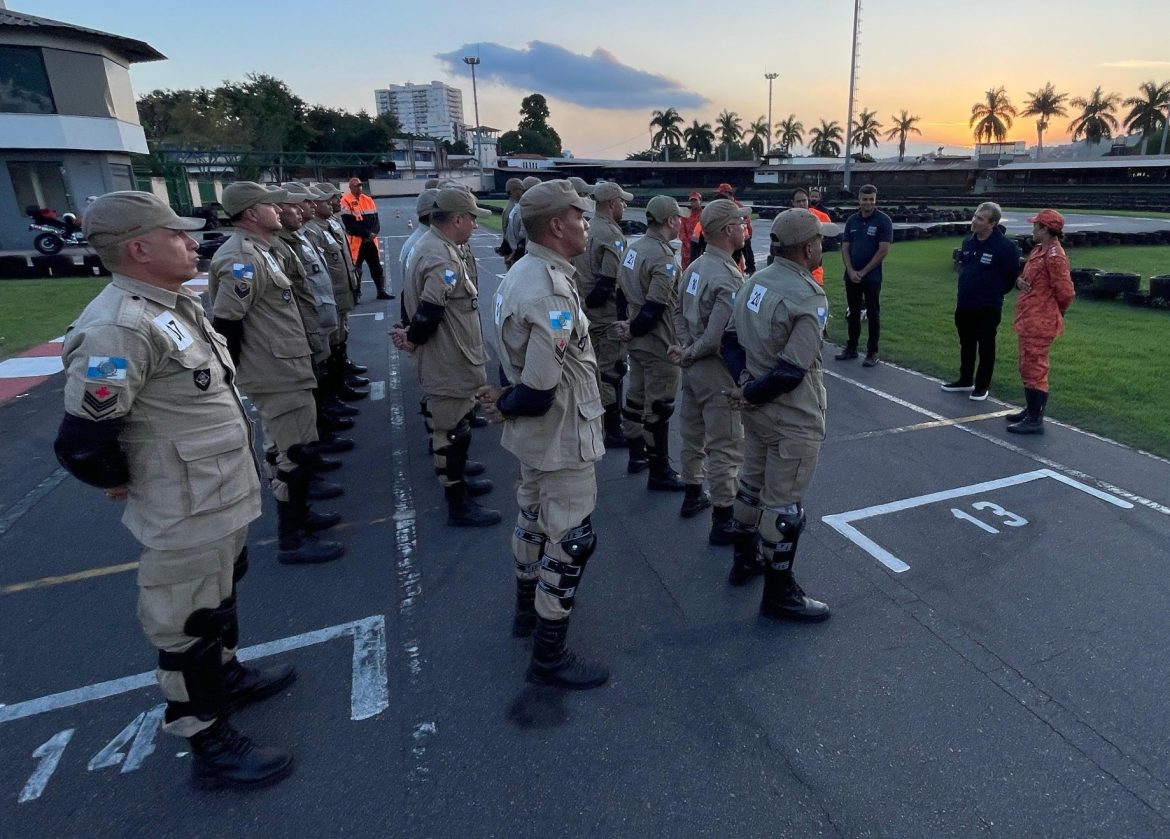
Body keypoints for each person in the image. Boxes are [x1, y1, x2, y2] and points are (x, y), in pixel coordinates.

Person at [54, 191, 295, 789]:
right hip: (184, 506)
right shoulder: (118, 327)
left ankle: (229, 675)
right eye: (178, 235)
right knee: (186, 624)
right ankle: (207, 740)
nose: (193, 243)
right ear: (139, 247)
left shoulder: (167, 305)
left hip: (215, 497)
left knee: (217, 600)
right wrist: (124, 478)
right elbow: (83, 440)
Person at [476, 179, 609, 689]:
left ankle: (526, 614)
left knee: (531, 518)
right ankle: (548, 655)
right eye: (580, 216)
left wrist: (505, 403)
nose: (586, 224)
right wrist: (507, 403)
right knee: (571, 538)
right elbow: (538, 388)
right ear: (557, 225)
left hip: (536, 437)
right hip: (561, 435)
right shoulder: (550, 289)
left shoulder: (523, 272)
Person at [208, 182, 345, 565]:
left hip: (287, 364)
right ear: (252, 213)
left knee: (295, 447)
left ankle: (301, 518)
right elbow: (227, 322)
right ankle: (292, 537)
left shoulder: (261, 251)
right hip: (274, 370)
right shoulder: (242, 258)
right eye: (269, 205)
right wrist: (232, 376)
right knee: (291, 452)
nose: (279, 209)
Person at [723, 208, 838, 622]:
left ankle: (743, 561)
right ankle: (779, 593)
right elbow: (792, 369)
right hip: (792, 414)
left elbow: (729, 340)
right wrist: (751, 392)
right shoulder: (808, 296)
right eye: (820, 241)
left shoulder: (755, 280)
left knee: (751, 485)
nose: (822, 247)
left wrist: (744, 388)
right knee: (784, 506)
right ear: (808, 248)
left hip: (757, 410)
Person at [391, 188, 501, 527]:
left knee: (459, 427)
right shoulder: (441, 256)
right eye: (471, 219)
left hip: (453, 356)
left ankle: (460, 486)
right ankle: (457, 503)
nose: (475, 226)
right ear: (456, 220)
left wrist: (413, 336)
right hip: (448, 359)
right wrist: (413, 339)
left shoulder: (437, 247)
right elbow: (429, 311)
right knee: (451, 433)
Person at [670, 198, 749, 545]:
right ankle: (723, 518)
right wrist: (691, 351)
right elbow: (716, 338)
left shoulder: (696, 267)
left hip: (693, 369)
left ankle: (692, 492)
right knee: (726, 446)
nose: (746, 229)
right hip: (715, 371)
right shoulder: (728, 276)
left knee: (692, 433)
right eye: (741, 224)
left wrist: (684, 349)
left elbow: (678, 312)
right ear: (729, 230)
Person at [617, 195, 688, 490]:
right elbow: (655, 306)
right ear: (670, 220)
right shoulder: (663, 258)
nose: (681, 222)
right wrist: (633, 328)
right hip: (659, 341)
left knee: (636, 399)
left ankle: (637, 456)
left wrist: (626, 326)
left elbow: (620, 292)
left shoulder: (633, 249)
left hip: (637, 340)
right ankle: (659, 471)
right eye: (678, 217)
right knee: (659, 407)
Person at [574, 180, 633, 449]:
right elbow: (608, 282)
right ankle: (612, 428)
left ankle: (599, 421)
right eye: (621, 202)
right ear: (612, 203)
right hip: (604, 312)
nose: (623, 207)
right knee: (612, 370)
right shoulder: (612, 235)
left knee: (593, 367)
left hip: (584, 309)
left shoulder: (585, 226)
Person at [941, 202, 1020, 401]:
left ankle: (982, 386)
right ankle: (965, 379)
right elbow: (965, 267)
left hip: (988, 306)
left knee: (986, 346)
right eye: (975, 216)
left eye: (981, 219)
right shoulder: (968, 242)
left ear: (992, 223)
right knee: (966, 343)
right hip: (965, 302)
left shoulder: (1005, 247)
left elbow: (1010, 277)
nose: (975, 221)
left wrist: (993, 293)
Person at [1007, 209, 1075, 435]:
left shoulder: (1055, 256)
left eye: (1036, 225)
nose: (1033, 228)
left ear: (1046, 229)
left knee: (1035, 367)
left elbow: (1066, 292)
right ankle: (1031, 410)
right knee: (1026, 365)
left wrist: (1054, 312)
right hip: (1029, 317)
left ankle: (1035, 419)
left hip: (1040, 320)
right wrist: (1018, 282)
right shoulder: (1039, 250)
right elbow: (1028, 279)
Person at [836, 184, 892, 367]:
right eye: (864, 199)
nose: (868, 203)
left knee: (873, 313)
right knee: (853, 312)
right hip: (851, 275)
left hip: (872, 277)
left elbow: (883, 250)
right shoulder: (852, 221)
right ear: (858, 199)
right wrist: (851, 271)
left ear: (875, 200)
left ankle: (872, 352)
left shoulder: (883, 221)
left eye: (871, 199)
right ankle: (851, 348)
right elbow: (845, 247)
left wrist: (863, 272)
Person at [339, 177, 390, 300]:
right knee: (357, 269)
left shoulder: (368, 200)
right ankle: (356, 294)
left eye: (360, 185)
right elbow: (350, 225)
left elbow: (376, 220)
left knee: (376, 267)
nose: (359, 188)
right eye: (356, 186)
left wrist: (374, 233)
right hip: (357, 242)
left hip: (370, 241)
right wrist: (367, 234)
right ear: (350, 187)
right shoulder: (345, 201)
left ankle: (381, 291)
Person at [790, 188, 830, 285]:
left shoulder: (822, 216)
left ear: (808, 200)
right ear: (793, 203)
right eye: (798, 201)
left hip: (815, 267)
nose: (802, 204)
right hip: (795, 266)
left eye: (804, 200)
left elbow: (831, 239)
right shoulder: (787, 219)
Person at [715, 183, 755, 275]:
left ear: (727, 193)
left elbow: (747, 228)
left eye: (720, 193)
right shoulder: (720, 206)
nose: (718, 196)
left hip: (738, 241)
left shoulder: (738, 207)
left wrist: (750, 266)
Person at [503, 176, 542, 268]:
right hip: (523, 255)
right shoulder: (524, 209)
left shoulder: (516, 208)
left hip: (517, 254)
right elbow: (523, 234)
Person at [495, 177, 524, 258]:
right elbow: (508, 234)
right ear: (514, 190)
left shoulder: (512, 207)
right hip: (513, 252)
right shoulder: (512, 210)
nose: (522, 192)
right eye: (520, 189)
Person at [679, 191, 703, 270]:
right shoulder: (686, 214)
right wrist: (688, 245)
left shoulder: (704, 215)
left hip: (699, 249)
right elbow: (682, 233)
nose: (693, 203)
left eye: (695, 200)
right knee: (686, 273)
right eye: (692, 201)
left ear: (700, 201)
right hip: (686, 251)